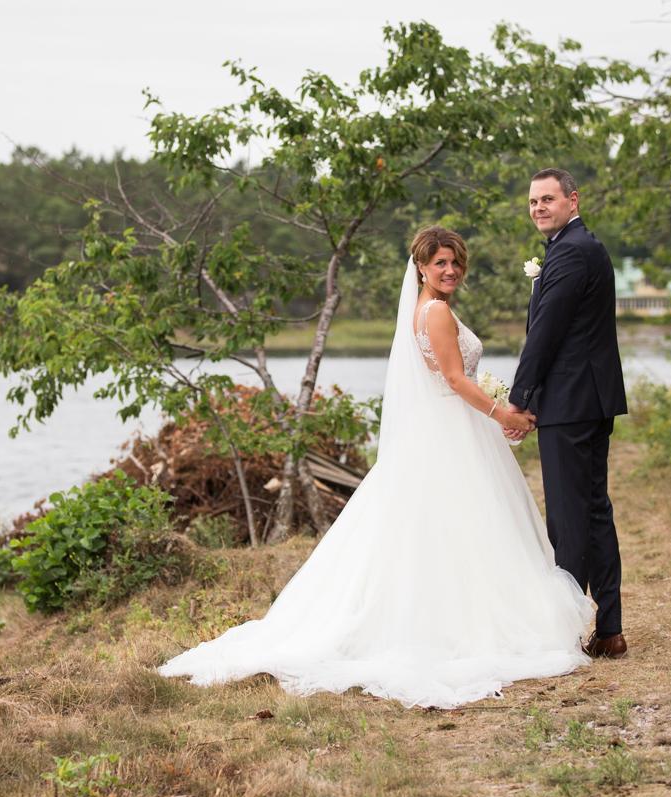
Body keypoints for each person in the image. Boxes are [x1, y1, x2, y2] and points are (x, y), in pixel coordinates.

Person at [157, 226, 594, 709]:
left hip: (448, 431)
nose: (450, 270)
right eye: (440, 263)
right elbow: (453, 378)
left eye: (456, 263)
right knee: (468, 524)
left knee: (447, 529)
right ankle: (464, 626)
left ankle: (441, 615)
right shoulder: (438, 314)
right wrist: (502, 413)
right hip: (454, 434)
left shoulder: (421, 311)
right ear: (422, 268)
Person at [507, 168, 629, 659]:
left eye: (547, 199)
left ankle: (570, 630)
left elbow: (546, 336)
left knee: (569, 519)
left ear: (572, 199)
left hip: (572, 402)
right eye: (533, 201)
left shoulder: (573, 252)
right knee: (593, 510)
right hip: (584, 399)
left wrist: (518, 401)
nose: (538, 207)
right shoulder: (574, 247)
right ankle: (609, 629)